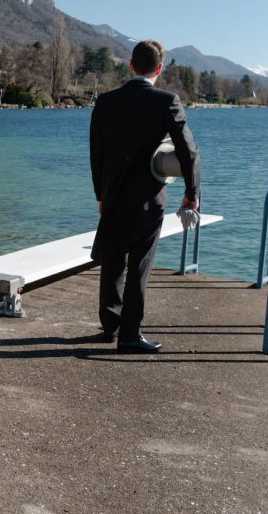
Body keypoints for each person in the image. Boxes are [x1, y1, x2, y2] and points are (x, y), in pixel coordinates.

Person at [88, 39, 200, 353]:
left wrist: (101, 194)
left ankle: (110, 326)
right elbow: (189, 152)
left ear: (131, 65)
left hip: (112, 195)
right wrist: (192, 195)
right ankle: (130, 335)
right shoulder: (167, 101)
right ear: (159, 69)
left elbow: (96, 154)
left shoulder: (106, 102)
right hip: (149, 198)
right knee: (139, 265)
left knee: (113, 260)